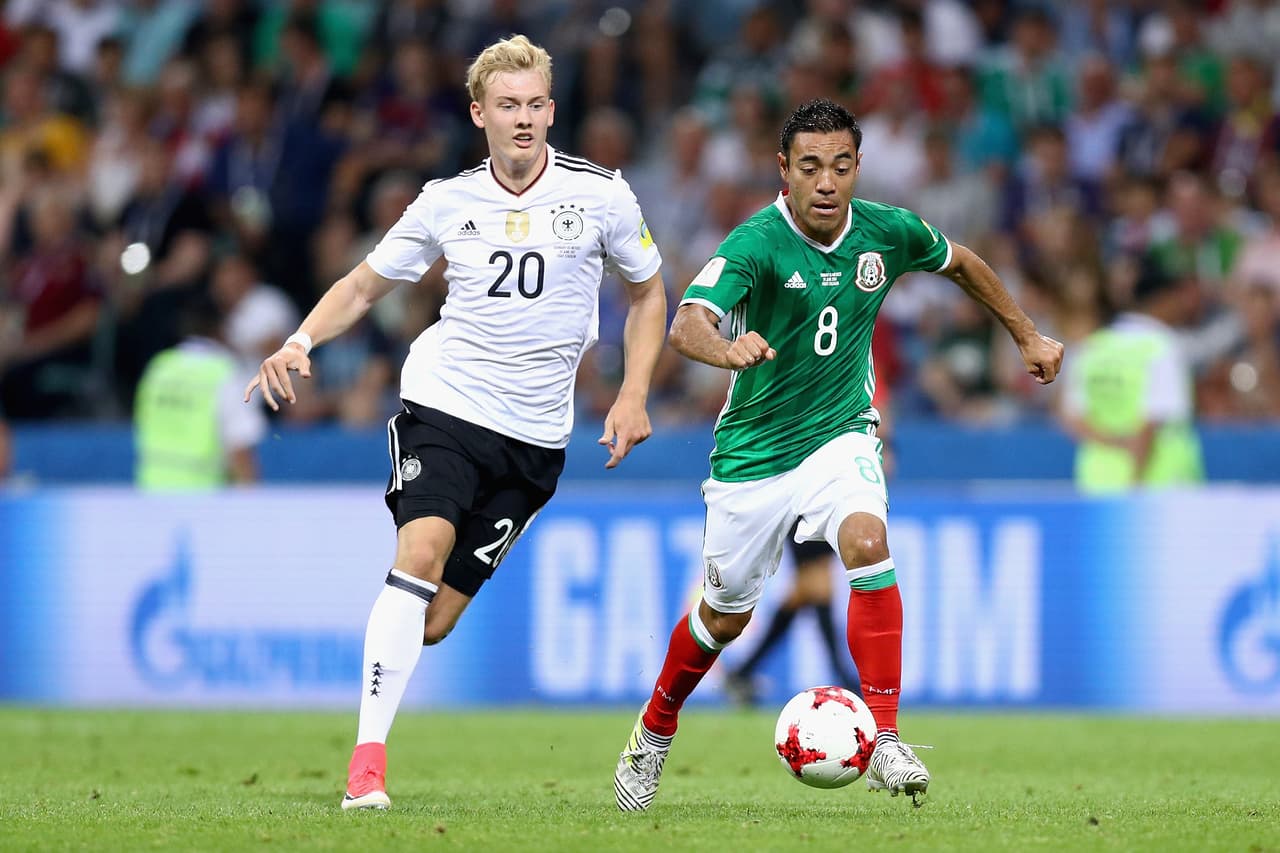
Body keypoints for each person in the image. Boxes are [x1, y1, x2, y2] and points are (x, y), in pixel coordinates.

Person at [243, 35, 667, 811]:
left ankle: (388, 670)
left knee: (434, 621)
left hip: (536, 442)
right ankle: (366, 765)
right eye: (508, 105)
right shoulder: (446, 201)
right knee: (422, 547)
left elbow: (648, 294)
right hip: (447, 403)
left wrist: (634, 391)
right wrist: (302, 339)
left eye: (537, 103)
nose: (526, 118)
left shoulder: (602, 194)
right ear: (479, 113)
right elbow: (365, 284)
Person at [614, 98, 1063, 811]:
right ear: (783, 171)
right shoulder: (756, 243)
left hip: (840, 433)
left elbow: (963, 263)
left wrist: (1027, 335)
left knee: (867, 537)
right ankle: (655, 728)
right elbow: (686, 324)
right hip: (753, 456)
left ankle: (883, 735)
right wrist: (727, 347)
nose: (828, 182)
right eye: (812, 167)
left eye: (842, 166)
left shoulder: (887, 232)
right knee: (722, 618)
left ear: (858, 167)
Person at [1059, 256, 1203, 493]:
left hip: (1097, 481)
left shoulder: (1092, 347)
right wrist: (1135, 480)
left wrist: (1114, 443)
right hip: (1156, 483)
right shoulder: (1161, 346)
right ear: (1162, 300)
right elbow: (1152, 421)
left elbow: (1073, 419)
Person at [134, 290, 266, 489]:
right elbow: (239, 448)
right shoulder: (225, 372)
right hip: (203, 501)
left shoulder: (158, 368)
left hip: (151, 494)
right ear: (221, 327)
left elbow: (143, 423)